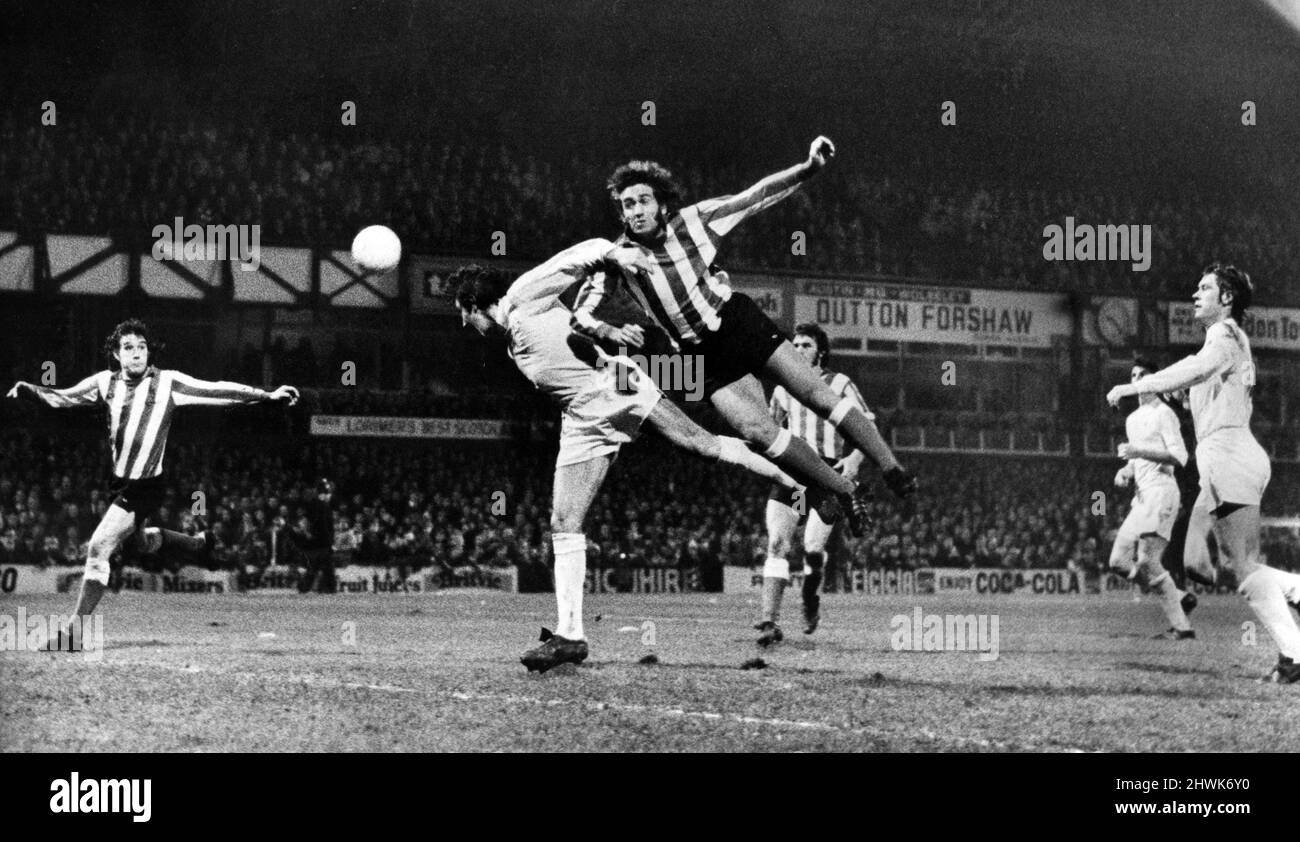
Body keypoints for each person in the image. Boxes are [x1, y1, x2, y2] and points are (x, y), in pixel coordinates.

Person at [444, 254, 808, 673]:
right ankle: (570, 637)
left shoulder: (524, 297)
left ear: (473, 304)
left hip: (614, 384)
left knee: (700, 443)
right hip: (580, 416)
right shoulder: (511, 334)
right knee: (563, 523)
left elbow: (584, 253)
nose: (463, 323)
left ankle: (797, 478)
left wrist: (620, 254)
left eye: (462, 313)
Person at [569, 137, 917, 533]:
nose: (635, 210)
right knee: (757, 433)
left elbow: (757, 195)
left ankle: (892, 468)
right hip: (699, 355)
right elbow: (580, 315)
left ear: (662, 203)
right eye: (627, 204)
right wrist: (609, 329)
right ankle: (844, 489)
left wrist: (808, 168)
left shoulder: (696, 221)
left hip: (737, 322)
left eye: (643, 200)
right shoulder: (616, 259)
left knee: (816, 395)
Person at [5, 319, 299, 650]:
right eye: (128, 347)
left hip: (146, 485)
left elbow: (217, 389)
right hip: (119, 482)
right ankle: (198, 543)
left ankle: (73, 633)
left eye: (141, 347)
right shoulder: (105, 383)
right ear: (116, 354)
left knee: (99, 545)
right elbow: (64, 399)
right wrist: (31, 390)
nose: (136, 353)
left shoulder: (168, 383)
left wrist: (267, 396)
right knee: (141, 543)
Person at [1107, 264, 1300, 683]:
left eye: (1204, 287)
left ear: (1226, 298)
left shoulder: (1224, 334)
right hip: (1232, 452)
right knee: (1239, 565)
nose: (1195, 294)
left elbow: (1198, 367)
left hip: (1228, 453)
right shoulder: (1229, 342)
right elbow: (1204, 377)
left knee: (1243, 568)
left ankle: (1294, 655)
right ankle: (1294, 635)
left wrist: (1136, 387)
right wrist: (1181, 392)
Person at [756, 323, 885, 645]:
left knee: (813, 548)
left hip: (827, 474)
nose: (798, 350)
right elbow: (771, 431)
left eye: (805, 345)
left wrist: (854, 461)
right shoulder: (782, 389)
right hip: (794, 477)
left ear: (820, 351)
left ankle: (810, 602)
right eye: (795, 344)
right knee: (778, 543)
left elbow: (866, 427)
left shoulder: (840, 383)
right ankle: (769, 622)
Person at [1108, 357, 1196, 639]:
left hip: (1161, 491)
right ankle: (1178, 596)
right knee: (1118, 562)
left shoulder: (1164, 413)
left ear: (1156, 380)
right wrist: (1126, 470)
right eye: (1133, 375)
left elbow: (1179, 456)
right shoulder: (1132, 419)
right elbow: (1138, 460)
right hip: (1141, 496)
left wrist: (1137, 453)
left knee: (1147, 561)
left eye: (1143, 374)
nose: (1137, 379)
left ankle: (1182, 627)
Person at [294, 478, 338, 594]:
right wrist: (307, 533)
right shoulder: (316, 505)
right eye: (327, 493)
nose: (329, 495)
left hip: (323, 541)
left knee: (323, 566)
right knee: (319, 566)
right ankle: (324, 588)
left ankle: (327, 588)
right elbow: (306, 521)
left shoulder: (323, 506)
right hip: (319, 541)